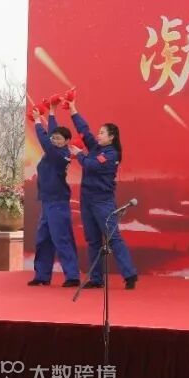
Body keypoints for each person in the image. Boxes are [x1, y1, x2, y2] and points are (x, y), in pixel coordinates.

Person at [67, 100, 137, 290]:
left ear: (111, 137)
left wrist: (79, 154)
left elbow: (91, 165)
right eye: (99, 132)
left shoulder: (111, 154)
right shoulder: (96, 148)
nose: (98, 135)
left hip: (102, 201)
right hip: (87, 200)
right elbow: (84, 131)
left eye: (102, 133)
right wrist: (73, 109)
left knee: (113, 238)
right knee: (92, 240)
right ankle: (96, 279)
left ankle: (130, 275)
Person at [28, 105, 81, 288]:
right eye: (54, 138)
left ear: (67, 141)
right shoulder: (53, 151)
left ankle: (72, 275)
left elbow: (45, 139)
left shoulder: (60, 154)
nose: (55, 140)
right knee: (43, 239)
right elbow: (50, 134)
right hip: (47, 202)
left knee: (61, 238)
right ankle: (42, 275)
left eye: (59, 138)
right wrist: (51, 111)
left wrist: (37, 120)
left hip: (58, 203)